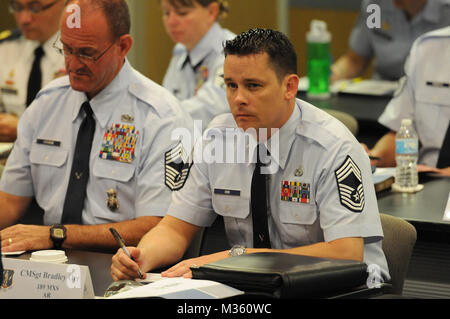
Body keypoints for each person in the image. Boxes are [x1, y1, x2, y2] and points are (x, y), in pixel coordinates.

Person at [111, 28, 390, 282]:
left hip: (341, 286)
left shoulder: (333, 148)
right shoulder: (217, 139)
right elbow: (175, 228)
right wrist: (141, 255)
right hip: (256, 286)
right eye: (231, 85)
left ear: (289, 87)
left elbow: (346, 252)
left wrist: (241, 259)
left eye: (253, 86)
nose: (238, 98)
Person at [0, 0, 193, 253]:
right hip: (46, 271)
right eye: (67, 49)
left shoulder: (161, 117)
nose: (72, 64)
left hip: (121, 271)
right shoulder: (47, 105)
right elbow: (10, 201)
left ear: (123, 46)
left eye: (87, 53)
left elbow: (157, 226)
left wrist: (57, 235)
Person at [366, 26, 450, 176]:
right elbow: (401, 132)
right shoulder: (428, 47)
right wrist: (373, 159)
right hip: (425, 183)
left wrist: (443, 174)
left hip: (433, 176)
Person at [331, 0, 450, 83]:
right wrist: (333, 75)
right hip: (382, 93)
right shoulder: (375, 6)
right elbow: (355, 60)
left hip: (433, 92)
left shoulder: (446, 9)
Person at [161, 0, 235, 128]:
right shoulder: (180, 53)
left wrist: (157, 118)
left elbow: (209, 111)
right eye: (166, 13)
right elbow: (165, 102)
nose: (171, 21)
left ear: (212, 12)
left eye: (182, 13)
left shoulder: (234, 52)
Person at [0, 0, 66, 142]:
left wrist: (23, 130)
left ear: (65, 4)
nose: (24, 19)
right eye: (17, 8)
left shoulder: (81, 54)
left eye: (35, 8)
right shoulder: (5, 49)